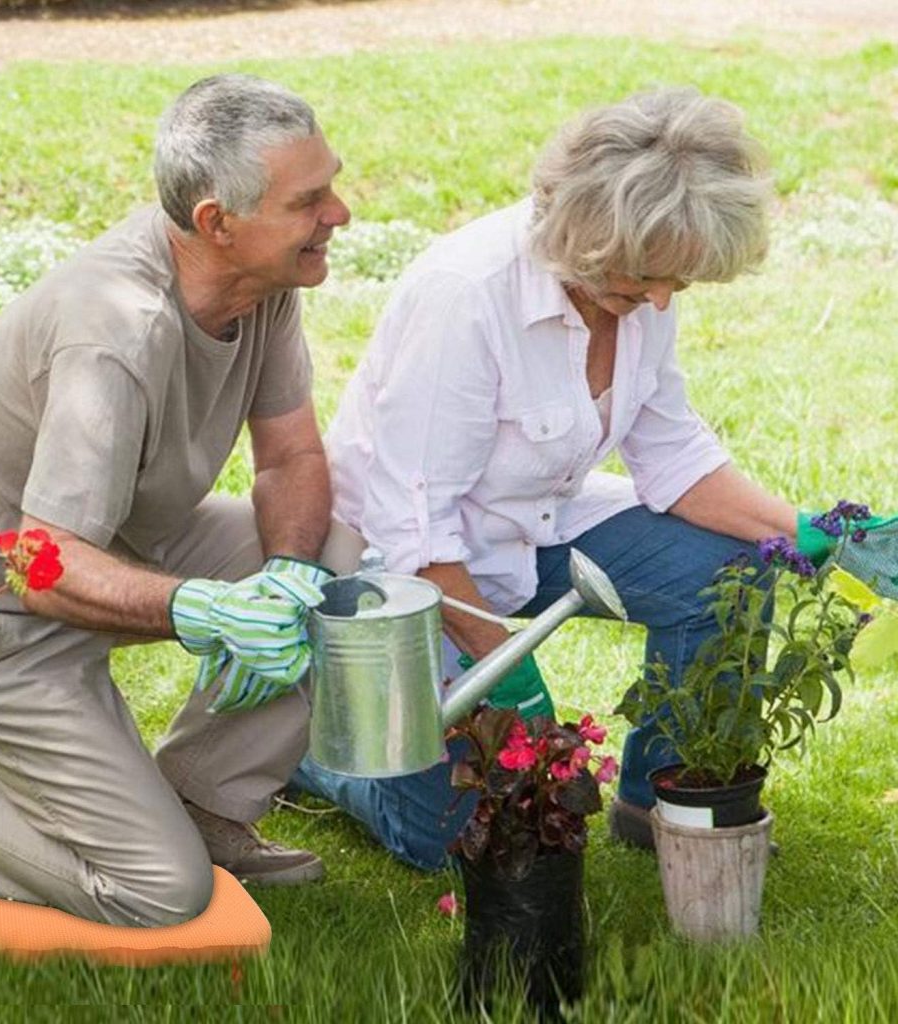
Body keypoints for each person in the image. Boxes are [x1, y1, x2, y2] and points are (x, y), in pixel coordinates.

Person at [0, 73, 355, 926]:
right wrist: (202, 607)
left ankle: (204, 805)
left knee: (338, 559)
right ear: (217, 221)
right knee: (158, 890)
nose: (340, 215)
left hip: (115, 544)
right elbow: (39, 565)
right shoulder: (116, 332)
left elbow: (292, 455)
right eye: (310, 199)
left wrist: (283, 576)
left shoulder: (263, 284)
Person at [291, 86, 801, 866]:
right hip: (407, 575)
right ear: (587, 236)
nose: (661, 300)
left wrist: (811, 534)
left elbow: (675, 456)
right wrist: (511, 676)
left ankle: (662, 797)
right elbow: (414, 531)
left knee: (732, 570)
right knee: (459, 837)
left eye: (678, 284)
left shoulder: (637, 282)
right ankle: (316, 754)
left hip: (534, 529)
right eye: (645, 279)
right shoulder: (467, 296)